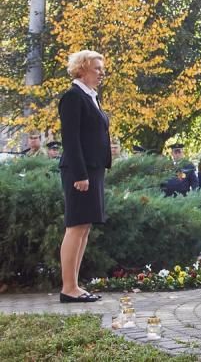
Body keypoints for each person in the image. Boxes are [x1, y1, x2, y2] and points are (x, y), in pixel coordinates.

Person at [58, 50, 111, 303]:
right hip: (80, 172)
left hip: (93, 170)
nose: (101, 73)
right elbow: (71, 139)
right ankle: (68, 288)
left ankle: (75, 286)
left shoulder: (91, 97)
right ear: (81, 69)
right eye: (97, 68)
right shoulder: (73, 97)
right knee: (75, 226)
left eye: (102, 68)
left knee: (84, 228)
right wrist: (80, 174)